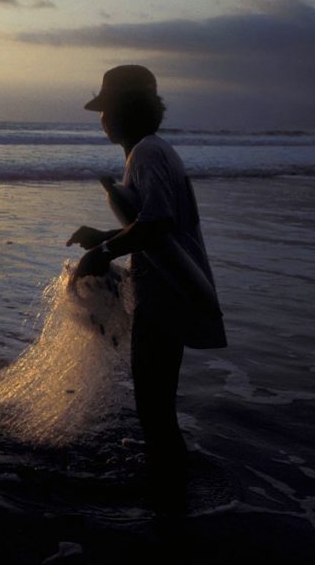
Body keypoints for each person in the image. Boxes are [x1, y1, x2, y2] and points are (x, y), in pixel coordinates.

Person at [66, 65, 226, 514]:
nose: (101, 119)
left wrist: (105, 253)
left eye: (105, 109)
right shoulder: (151, 151)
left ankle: (170, 506)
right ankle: (169, 490)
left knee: (154, 410)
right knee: (155, 405)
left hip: (167, 300)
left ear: (124, 111)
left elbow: (156, 225)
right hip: (164, 294)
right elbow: (156, 225)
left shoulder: (147, 154)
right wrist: (103, 237)